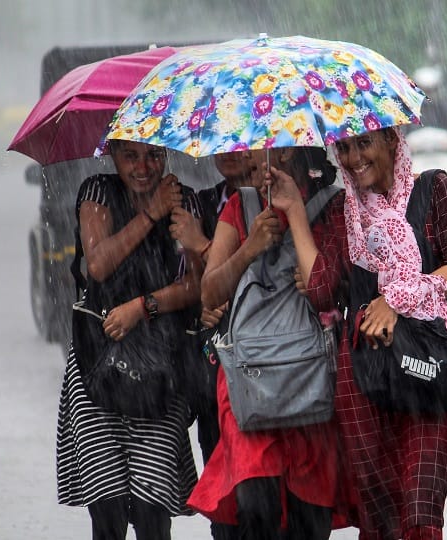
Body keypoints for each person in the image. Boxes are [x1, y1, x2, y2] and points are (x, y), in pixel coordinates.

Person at [332, 126, 447, 540]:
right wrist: (293, 211)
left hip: (427, 364)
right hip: (362, 375)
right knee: (379, 521)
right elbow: (320, 289)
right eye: (343, 148)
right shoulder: (342, 211)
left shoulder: (434, 189)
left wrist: (397, 297)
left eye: (364, 143)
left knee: (420, 513)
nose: (353, 158)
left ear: (392, 142)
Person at [186, 146, 346, 540]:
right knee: (256, 511)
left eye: (262, 158)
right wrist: (250, 247)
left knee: (310, 522)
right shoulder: (239, 208)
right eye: (252, 160)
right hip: (251, 385)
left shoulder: (332, 206)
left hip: (309, 384)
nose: (253, 166)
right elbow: (209, 293)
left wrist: (294, 214)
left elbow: (334, 289)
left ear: (289, 153)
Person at [56, 140, 201, 539]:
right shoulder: (98, 191)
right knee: (107, 509)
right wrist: (151, 213)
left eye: (153, 155)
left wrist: (144, 306)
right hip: (96, 368)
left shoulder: (184, 199)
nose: (143, 167)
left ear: (168, 154)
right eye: (130, 156)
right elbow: (99, 264)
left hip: (162, 372)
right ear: (112, 155)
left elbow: (197, 285)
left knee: (153, 513)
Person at [172, 151, 256, 540]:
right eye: (224, 144)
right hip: (218, 370)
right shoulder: (203, 203)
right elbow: (198, 288)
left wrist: (202, 243)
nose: (231, 153)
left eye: (242, 144)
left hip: (268, 362)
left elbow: (263, 273)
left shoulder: (273, 198)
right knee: (224, 502)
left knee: (267, 501)